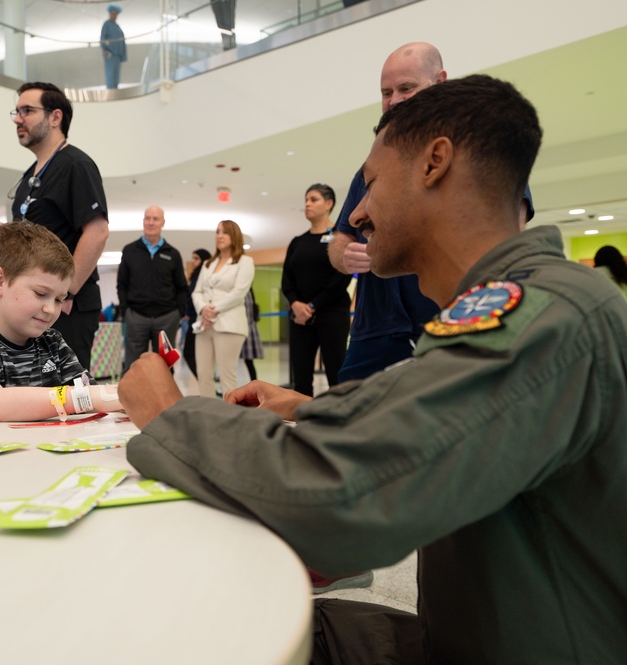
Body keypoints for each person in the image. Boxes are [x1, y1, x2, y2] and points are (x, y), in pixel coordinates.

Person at [119, 75, 627, 664]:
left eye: (372, 182)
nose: (358, 211)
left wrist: (171, 413)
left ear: (435, 162)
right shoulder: (542, 303)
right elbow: (438, 420)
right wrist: (309, 407)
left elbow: (341, 502)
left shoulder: (538, 316)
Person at [328, 43, 534, 386]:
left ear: (439, 82)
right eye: (386, 93)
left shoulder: (483, 158)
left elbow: (505, 246)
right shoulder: (370, 167)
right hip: (375, 330)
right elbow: (341, 236)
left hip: (449, 323)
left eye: (406, 88)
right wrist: (344, 255)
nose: (394, 100)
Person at [0, 222, 121, 424]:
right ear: (0, 281)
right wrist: (86, 397)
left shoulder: (53, 343)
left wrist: (122, 396)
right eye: (41, 293)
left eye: (59, 299)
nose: (51, 309)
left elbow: (93, 396)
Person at [5, 82, 110, 371]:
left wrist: (67, 292)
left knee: (67, 389)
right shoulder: (31, 175)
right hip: (36, 302)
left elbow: (97, 232)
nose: (18, 119)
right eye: (17, 111)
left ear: (55, 117)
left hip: (66, 306)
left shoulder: (76, 165)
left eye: (27, 111)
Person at [282, 184, 352, 395]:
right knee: (301, 377)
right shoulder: (297, 242)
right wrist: (296, 304)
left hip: (332, 314)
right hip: (300, 318)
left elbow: (342, 277)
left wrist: (312, 305)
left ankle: (338, 413)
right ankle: (302, 414)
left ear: (329, 204)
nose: (307, 204)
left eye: (313, 199)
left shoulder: (340, 238)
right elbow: (287, 279)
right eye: (306, 200)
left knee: (336, 373)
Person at [116, 205, 188, 371]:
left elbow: (182, 287)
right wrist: (126, 312)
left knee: (164, 367)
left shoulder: (173, 254)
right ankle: (133, 391)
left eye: (155, 219)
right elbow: (122, 285)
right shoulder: (130, 251)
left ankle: (164, 390)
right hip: (136, 317)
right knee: (133, 366)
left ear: (163, 222)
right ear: (143, 221)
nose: (151, 222)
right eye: (147, 218)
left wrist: (178, 313)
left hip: (167, 318)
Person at [192, 220, 254, 397]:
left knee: (227, 377)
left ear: (234, 236)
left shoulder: (245, 262)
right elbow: (197, 292)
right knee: (203, 375)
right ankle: (207, 411)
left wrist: (213, 309)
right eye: (217, 232)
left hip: (229, 325)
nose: (219, 236)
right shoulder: (207, 264)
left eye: (225, 232)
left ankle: (230, 412)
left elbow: (239, 293)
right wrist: (203, 308)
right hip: (204, 325)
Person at [182, 248, 211, 378]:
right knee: (194, 353)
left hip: (200, 321)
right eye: (192, 258)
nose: (192, 261)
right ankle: (205, 381)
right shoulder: (195, 276)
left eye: (196, 258)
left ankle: (204, 380)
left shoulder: (203, 277)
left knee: (189, 353)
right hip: (194, 321)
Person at [100, 4, 127, 90]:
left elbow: (122, 41)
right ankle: (110, 92)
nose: (114, 15)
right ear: (109, 13)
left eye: (115, 14)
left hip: (118, 55)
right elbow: (102, 38)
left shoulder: (117, 26)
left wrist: (123, 55)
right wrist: (104, 50)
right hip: (110, 54)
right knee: (110, 75)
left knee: (116, 76)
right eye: (112, 13)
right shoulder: (106, 24)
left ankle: (115, 91)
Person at [240, 290, 263, 381]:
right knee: (249, 362)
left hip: (244, 331)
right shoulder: (249, 293)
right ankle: (254, 382)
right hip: (246, 330)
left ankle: (255, 383)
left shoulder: (245, 294)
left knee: (248, 362)